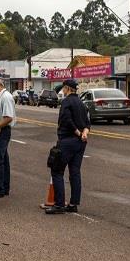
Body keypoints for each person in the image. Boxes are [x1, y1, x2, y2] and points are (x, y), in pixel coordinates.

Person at [46, 79, 90, 215]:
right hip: (80, 142)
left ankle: (59, 205)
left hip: (67, 141)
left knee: (57, 171)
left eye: (63, 89)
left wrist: (77, 132)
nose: (63, 91)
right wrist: (84, 133)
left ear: (67, 89)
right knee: (75, 172)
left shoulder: (66, 102)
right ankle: (73, 204)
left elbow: (66, 119)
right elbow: (88, 123)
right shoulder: (82, 103)